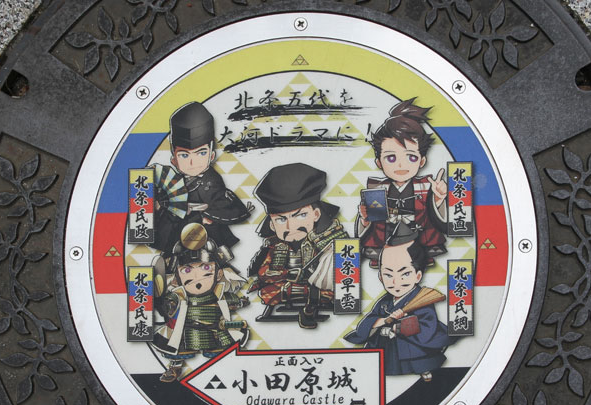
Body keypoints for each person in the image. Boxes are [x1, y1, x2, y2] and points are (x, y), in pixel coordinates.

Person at [345, 223, 451, 379]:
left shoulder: (421, 299)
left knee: (420, 361)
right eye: (388, 275)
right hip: (387, 347)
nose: (396, 282)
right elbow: (371, 319)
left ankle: (423, 369)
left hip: (411, 349)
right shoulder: (385, 302)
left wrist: (400, 326)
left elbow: (428, 327)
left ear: (418, 275)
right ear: (380, 276)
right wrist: (383, 321)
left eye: (405, 274)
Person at [248, 162, 348, 328]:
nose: (291, 227)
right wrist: (287, 274)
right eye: (281, 220)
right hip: (285, 285)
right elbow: (263, 272)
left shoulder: (325, 241)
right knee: (267, 293)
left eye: (300, 216)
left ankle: (310, 308)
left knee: (328, 291)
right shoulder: (274, 246)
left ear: (316, 214)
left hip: (317, 286)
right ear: (272, 224)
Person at [357, 98, 447, 266]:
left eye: (411, 157)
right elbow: (374, 226)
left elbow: (437, 219)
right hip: (387, 240)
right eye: (391, 158)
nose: (400, 165)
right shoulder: (378, 188)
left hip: (418, 241)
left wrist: (438, 199)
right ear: (379, 163)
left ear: (421, 161)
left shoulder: (425, 186)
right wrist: (365, 220)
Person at [153, 101, 251, 258]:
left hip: (204, 231)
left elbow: (221, 201)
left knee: (212, 259)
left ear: (211, 155)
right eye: (184, 155)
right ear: (174, 160)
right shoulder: (170, 181)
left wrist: (209, 216)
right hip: (178, 229)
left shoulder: (212, 180)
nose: (193, 162)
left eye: (201, 153)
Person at [153, 223, 248, 381]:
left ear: (218, 274)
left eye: (206, 270)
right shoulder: (179, 295)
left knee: (220, 351)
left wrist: (239, 302)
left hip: (215, 331)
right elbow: (169, 305)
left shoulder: (218, 293)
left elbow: (229, 300)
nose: (197, 278)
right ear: (176, 278)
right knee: (178, 348)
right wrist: (167, 304)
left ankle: (224, 370)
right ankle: (175, 367)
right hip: (186, 331)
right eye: (187, 271)